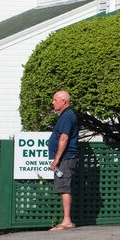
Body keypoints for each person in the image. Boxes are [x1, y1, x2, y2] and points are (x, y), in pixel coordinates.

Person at [47, 89, 80, 231]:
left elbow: (64, 138)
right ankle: (66, 220)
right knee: (63, 187)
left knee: (65, 187)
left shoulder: (67, 116)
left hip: (66, 158)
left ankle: (67, 220)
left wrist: (56, 159)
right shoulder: (65, 116)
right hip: (65, 158)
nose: (53, 103)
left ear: (63, 101)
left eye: (55, 100)